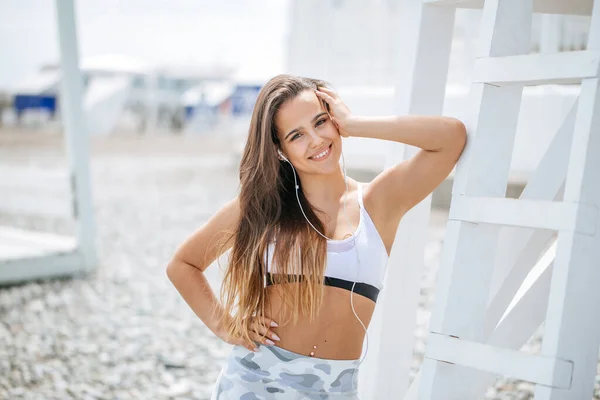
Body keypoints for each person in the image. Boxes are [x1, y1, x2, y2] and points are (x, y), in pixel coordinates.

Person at [166, 74, 466, 399]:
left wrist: (355, 124)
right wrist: (226, 326)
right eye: (296, 135)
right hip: (255, 384)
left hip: (334, 390)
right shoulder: (265, 206)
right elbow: (183, 264)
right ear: (279, 149)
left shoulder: (379, 203)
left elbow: (451, 138)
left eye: (321, 122)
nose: (316, 140)